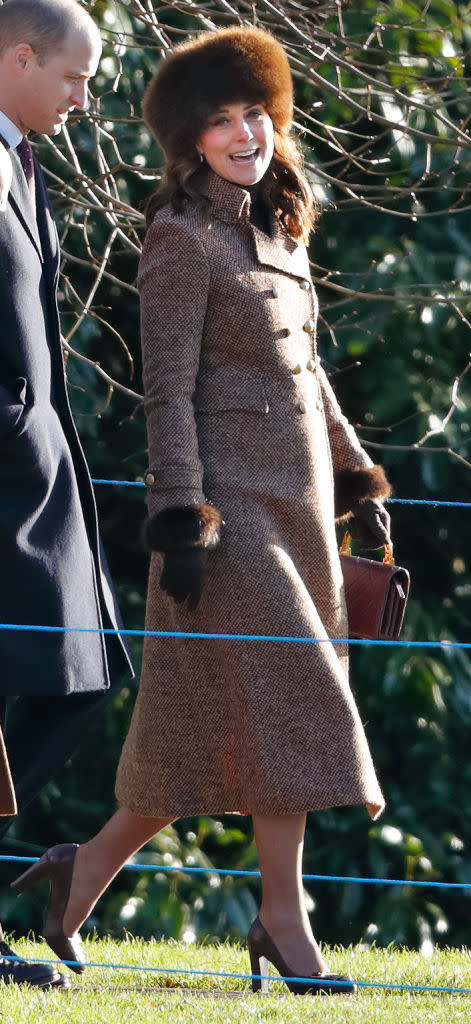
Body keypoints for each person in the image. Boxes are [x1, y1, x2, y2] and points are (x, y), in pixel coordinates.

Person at [14, 26, 392, 995]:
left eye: (254, 115)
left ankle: (81, 871)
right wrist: (180, 512)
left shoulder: (278, 226)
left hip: (302, 508)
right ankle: (285, 918)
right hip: (228, 515)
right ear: (188, 139)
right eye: (219, 121)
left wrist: (358, 478)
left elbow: (308, 372)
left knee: (198, 735)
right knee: (297, 699)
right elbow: (167, 393)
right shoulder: (177, 239)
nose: (242, 134)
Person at [0, 0, 133, 988]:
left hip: (39, 479)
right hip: (7, 471)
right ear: (19, 57)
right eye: (75, 78)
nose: (85, 98)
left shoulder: (21, 156)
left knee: (82, 677)